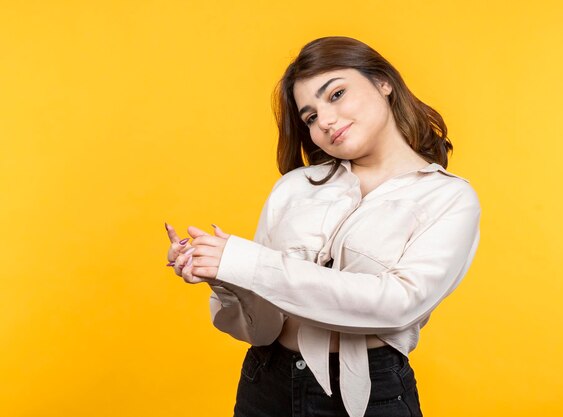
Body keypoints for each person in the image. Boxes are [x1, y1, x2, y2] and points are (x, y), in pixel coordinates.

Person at [164, 36, 481, 417]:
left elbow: (398, 303)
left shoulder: (449, 198)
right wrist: (221, 273)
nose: (325, 121)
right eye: (310, 117)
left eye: (336, 94)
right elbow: (261, 330)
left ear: (384, 83)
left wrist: (249, 262)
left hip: (370, 395)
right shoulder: (294, 187)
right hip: (266, 384)